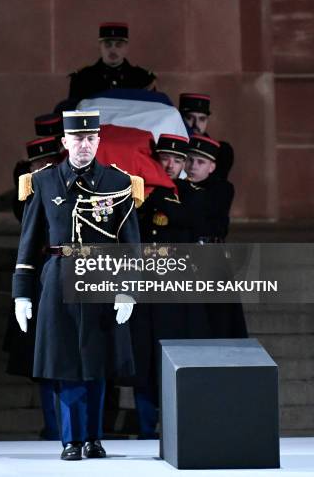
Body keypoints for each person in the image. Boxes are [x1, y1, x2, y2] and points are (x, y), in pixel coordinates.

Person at [12, 110, 141, 460]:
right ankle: (70, 440)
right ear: (64, 141)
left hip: (102, 274)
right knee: (64, 361)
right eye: (77, 138)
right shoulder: (44, 181)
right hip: (59, 276)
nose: (84, 145)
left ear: (98, 141)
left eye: (90, 138)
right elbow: (28, 241)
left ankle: (93, 437)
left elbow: (130, 243)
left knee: (97, 362)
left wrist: (128, 286)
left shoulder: (119, 183)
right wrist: (21, 292)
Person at [132, 135, 209, 438]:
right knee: (144, 358)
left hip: (177, 292)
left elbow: (192, 225)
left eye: (177, 160)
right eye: (165, 158)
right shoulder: (139, 190)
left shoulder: (190, 194)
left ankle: (179, 427)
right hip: (145, 288)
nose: (170, 164)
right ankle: (145, 426)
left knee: (176, 356)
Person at [6, 133, 64, 440]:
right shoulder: (30, 189)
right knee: (39, 357)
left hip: (63, 272)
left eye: (49, 162)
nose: (44, 167)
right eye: (38, 163)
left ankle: (68, 425)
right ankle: (53, 426)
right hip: (39, 276)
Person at [180, 134, 248, 338]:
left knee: (219, 321)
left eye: (200, 162)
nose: (193, 166)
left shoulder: (221, 189)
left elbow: (205, 221)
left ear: (212, 167)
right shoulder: (176, 188)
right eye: (190, 160)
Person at [66, 23, 156, 105]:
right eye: (107, 44)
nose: (113, 50)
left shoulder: (143, 79)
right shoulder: (82, 79)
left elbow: (154, 115)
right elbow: (75, 118)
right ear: (99, 47)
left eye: (119, 45)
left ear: (126, 48)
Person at [179, 93, 234, 180]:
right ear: (180, 118)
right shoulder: (172, 145)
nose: (196, 124)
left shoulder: (220, 152)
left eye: (202, 119)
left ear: (207, 120)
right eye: (190, 118)